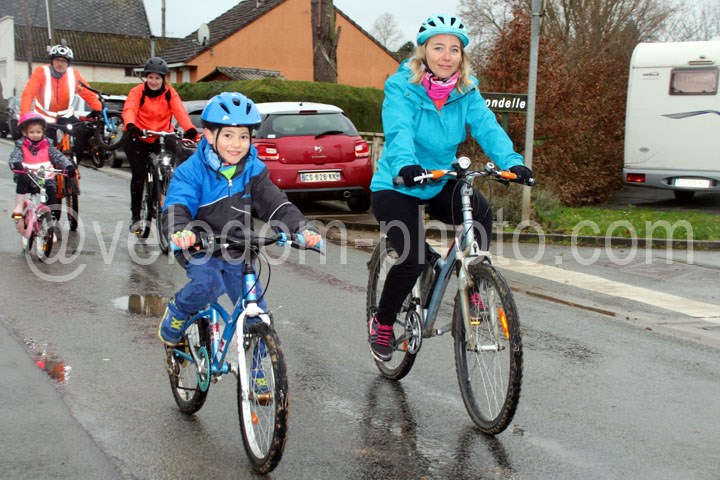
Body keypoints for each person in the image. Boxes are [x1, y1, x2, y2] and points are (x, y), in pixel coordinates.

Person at [367, 14, 534, 362]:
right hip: (397, 183)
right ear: (423, 52)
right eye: (438, 47)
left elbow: (487, 127)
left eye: (454, 49)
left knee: (481, 213)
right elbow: (398, 130)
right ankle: (382, 322)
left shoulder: (466, 91)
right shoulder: (401, 87)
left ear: (462, 55)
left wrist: (512, 162)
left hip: (439, 179)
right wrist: (405, 164)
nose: (446, 56)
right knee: (412, 258)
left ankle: (470, 286)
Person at [157, 91, 323, 347]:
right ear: (209, 135)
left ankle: (261, 369)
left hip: (238, 249)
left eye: (243, 136)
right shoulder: (191, 171)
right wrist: (180, 231)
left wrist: (301, 228)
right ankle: (179, 309)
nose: (236, 144)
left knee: (257, 314)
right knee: (209, 283)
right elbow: (177, 205)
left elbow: (276, 204)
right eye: (228, 135)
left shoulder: (253, 170)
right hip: (200, 246)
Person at [122, 56, 198, 232]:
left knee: (171, 164)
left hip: (162, 135)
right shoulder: (137, 92)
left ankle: (165, 185)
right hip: (140, 135)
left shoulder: (170, 93)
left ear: (163, 79)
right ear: (146, 78)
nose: (153, 81)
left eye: (157, 78)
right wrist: (131, 125)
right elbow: (129, 109)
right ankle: (136, 216)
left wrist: (190, 128)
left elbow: (180, 112)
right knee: (139, 175)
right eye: (150, 77)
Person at [20, 44, 101, 155]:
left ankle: (75, 158)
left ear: (68, 63)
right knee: (49, 147)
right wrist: (24, 117)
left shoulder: (73, 75)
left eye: (64, 61)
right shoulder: (41, 72)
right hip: (44, 117)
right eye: (57, 60)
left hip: (65, 116)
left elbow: (87, 93)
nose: (60, 63)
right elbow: (28, 94)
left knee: (85, 131)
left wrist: (97, 108)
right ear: (52, 60)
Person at [8, 112, 76, 219]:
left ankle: (51, 222)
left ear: (43, 132)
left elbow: (58, 156)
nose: (35, 135)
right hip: (28, 176)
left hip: (44, 178)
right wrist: (16, 164)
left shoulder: (48, 145)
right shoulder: (21, 146)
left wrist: (68, 166)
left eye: (38, 132)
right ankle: (19, 206)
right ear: (24, 132)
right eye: (31, 132)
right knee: (23, 180)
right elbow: (15, 157)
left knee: (52, 198)